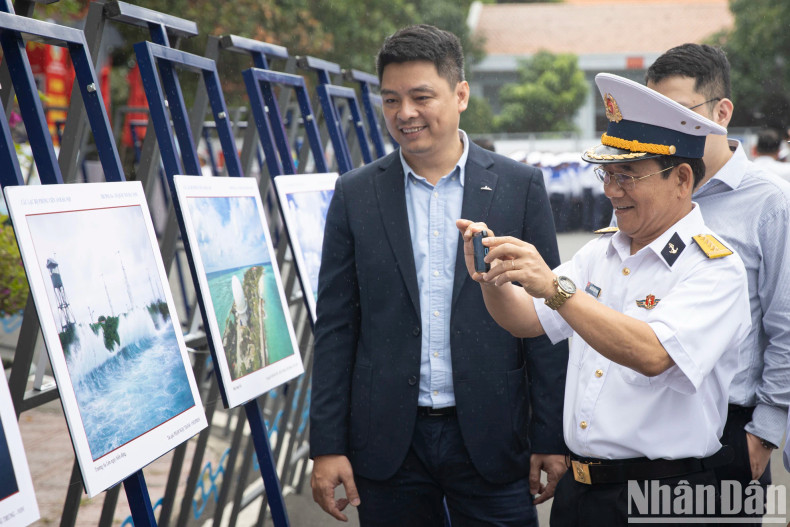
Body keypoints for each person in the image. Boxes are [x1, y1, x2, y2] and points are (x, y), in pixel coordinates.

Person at [458, 73, 750, 524]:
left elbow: (652, 353)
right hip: (583, 495)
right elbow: (524, 319)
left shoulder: (714, 266)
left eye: (628, 176)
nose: (611, 190)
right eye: (607, 174)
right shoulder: (602, 251)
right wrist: (493, 275)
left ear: (682, 179)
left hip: (666, 497)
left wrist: (555, 288)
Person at [309, 24, 568, 525]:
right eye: (391, 100)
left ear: (461, 94)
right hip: (387, 442)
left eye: (421, 96)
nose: (405, 113)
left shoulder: (519, 187)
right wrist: (326, 445)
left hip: (492, 436)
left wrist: (550, 436)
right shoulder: (355, 194)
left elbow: (548, 318)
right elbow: (337, 326)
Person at [645, 43, 790, 514]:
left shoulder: (770, 203)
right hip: (647, 422)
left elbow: (784, 324)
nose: (665, 129)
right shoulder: (645, 191)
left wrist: (763, 433)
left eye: (680, 113)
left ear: (722, 111)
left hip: (729, 431)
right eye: (655, 114)